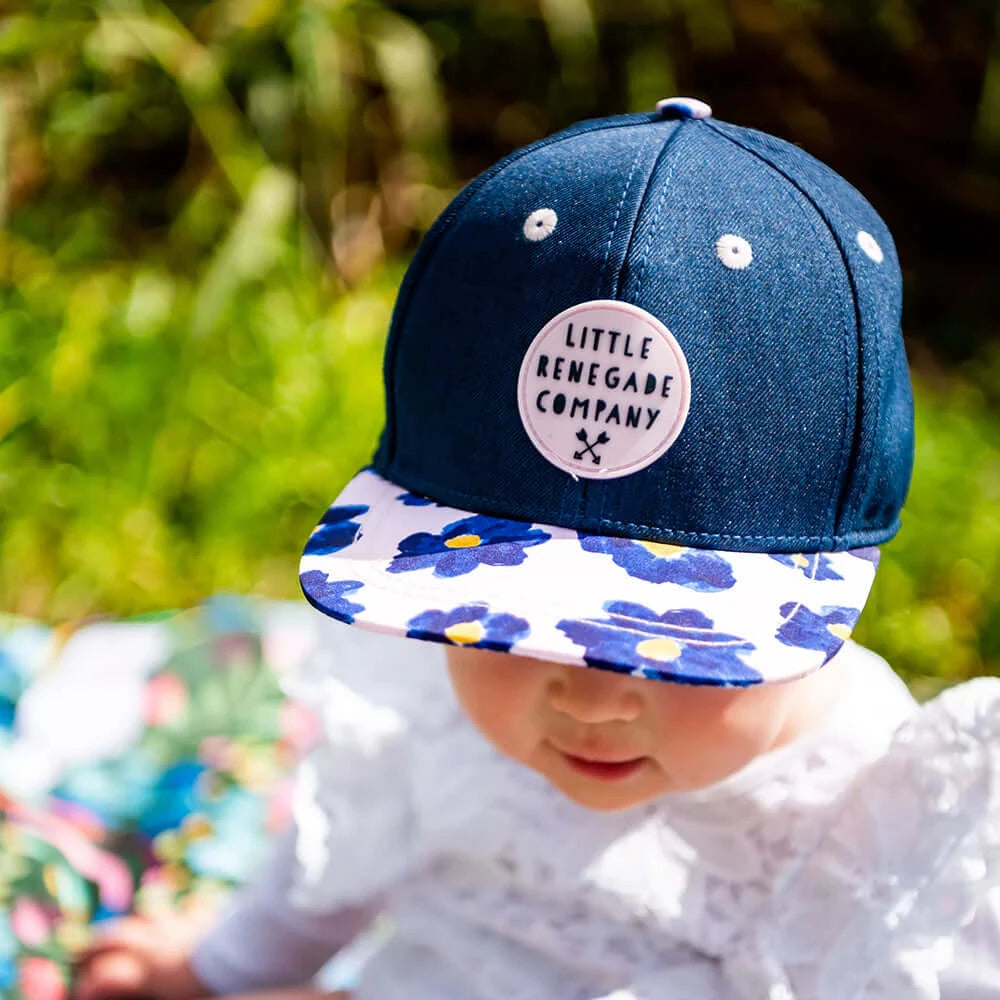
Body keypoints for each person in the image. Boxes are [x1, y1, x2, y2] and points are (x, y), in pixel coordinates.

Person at [73, 98, 1000, 1000]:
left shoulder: (868, 828)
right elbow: (337, 861)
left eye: (667, 642)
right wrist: (216, 970)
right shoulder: (424, 702)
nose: (590, 696)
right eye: (512, 626)